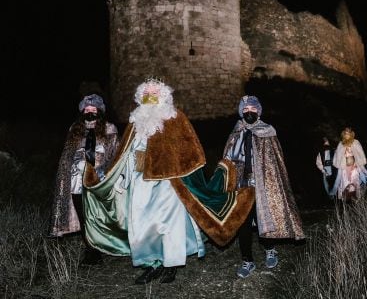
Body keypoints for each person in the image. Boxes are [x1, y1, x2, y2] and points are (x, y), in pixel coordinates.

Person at [82, 79, 254, 284]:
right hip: (140, 180)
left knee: (168, 225)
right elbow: (126, 154)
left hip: (168, 183)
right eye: (146, 92)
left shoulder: (175, 118)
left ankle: (170, 265)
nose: (150, 95)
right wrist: (121, 178)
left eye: (155, 92)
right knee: (141, 224)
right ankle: (151, 264)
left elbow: (193, 151)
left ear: (164, 95)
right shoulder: (136, 122)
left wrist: (180, 172)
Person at [223, 95, 305, 279]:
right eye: (245, 110)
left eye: (252, 109)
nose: (249, 112)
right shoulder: (236, 132)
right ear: (241, 112)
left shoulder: (268, 131)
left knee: (263, 218)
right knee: (242, 223)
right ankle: (247, 260)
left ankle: (270, 249)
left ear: (258, 111)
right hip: (241, 186)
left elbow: (275, 162)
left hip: (263, 184)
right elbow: (228, 159)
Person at [48, 94, 119, 264]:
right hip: (76, 181)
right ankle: (90, 250)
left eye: (93, 110)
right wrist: (67, 173)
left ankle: (101, 246)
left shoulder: (110, 129)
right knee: (82, 215)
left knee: (95, 215)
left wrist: (105, 173)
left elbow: (115, 155)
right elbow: (67, 156)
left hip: (98, 180)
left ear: (100, 111)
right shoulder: (75, 129)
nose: (90, 112)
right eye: (87, 110)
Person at [332, 127, 367, 201]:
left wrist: (357, 163)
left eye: (348, 133)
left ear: (351, 134)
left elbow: (360, 153)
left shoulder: (355, 142)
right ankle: (345, 198)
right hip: (344, 166)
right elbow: (337, 155)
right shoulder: (341, 143)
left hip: (354, 166)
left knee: (355, 181)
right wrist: (340, 162)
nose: (347, 135)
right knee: (344, 182)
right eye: (345, 134)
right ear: (343, 134)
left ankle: (356, 199)